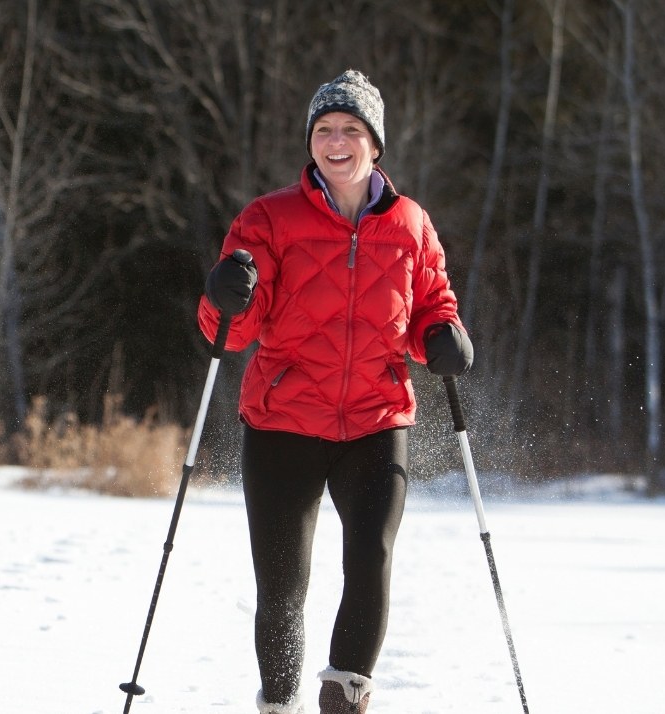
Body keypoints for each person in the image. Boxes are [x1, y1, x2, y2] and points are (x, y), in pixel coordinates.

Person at [199, 69, 473, 714]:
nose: (337, 141)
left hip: (378, 421)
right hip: (283, 421)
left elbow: (433, 302)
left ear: (375, 144)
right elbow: (232, 334)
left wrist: (445, 334)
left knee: (371, 558)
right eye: (324, 130)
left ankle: (345, 698)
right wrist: (223, 298)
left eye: (351, 129)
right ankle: (280, 702)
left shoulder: (410, 225)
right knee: (282, 588)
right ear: (310, 142)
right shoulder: (267, 219)